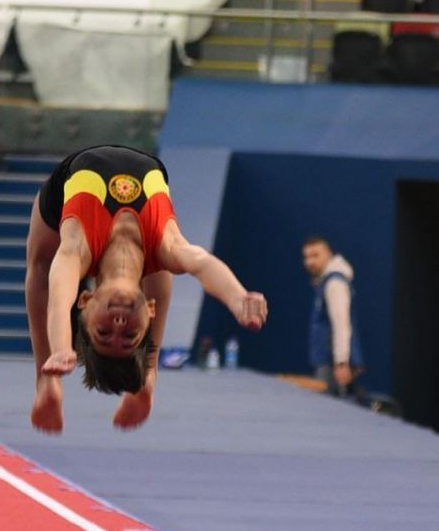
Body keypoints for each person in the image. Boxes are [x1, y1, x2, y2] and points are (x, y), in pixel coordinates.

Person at [25, 144, 268, 433]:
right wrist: (237, 298)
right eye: (129, 336)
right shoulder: (167, 249)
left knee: (42, 267)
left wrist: (61, 348)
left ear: (85, 300)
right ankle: (148, 376)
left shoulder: (78, 249)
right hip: (149, 179)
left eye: (103, 333)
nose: (118, 324)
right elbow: (201, 263)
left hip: (66, 182)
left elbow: (58, 301)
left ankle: (46, 381)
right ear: (151, 312)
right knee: (164, 259)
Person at [302, 235, 364, 396]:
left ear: (328, 254)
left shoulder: (334, 284)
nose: (310, 262)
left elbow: (341, 324)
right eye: (306, 257)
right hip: (327, 362)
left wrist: (341, 362)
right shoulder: (325, 283)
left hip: (332, 365)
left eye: (315, 255)